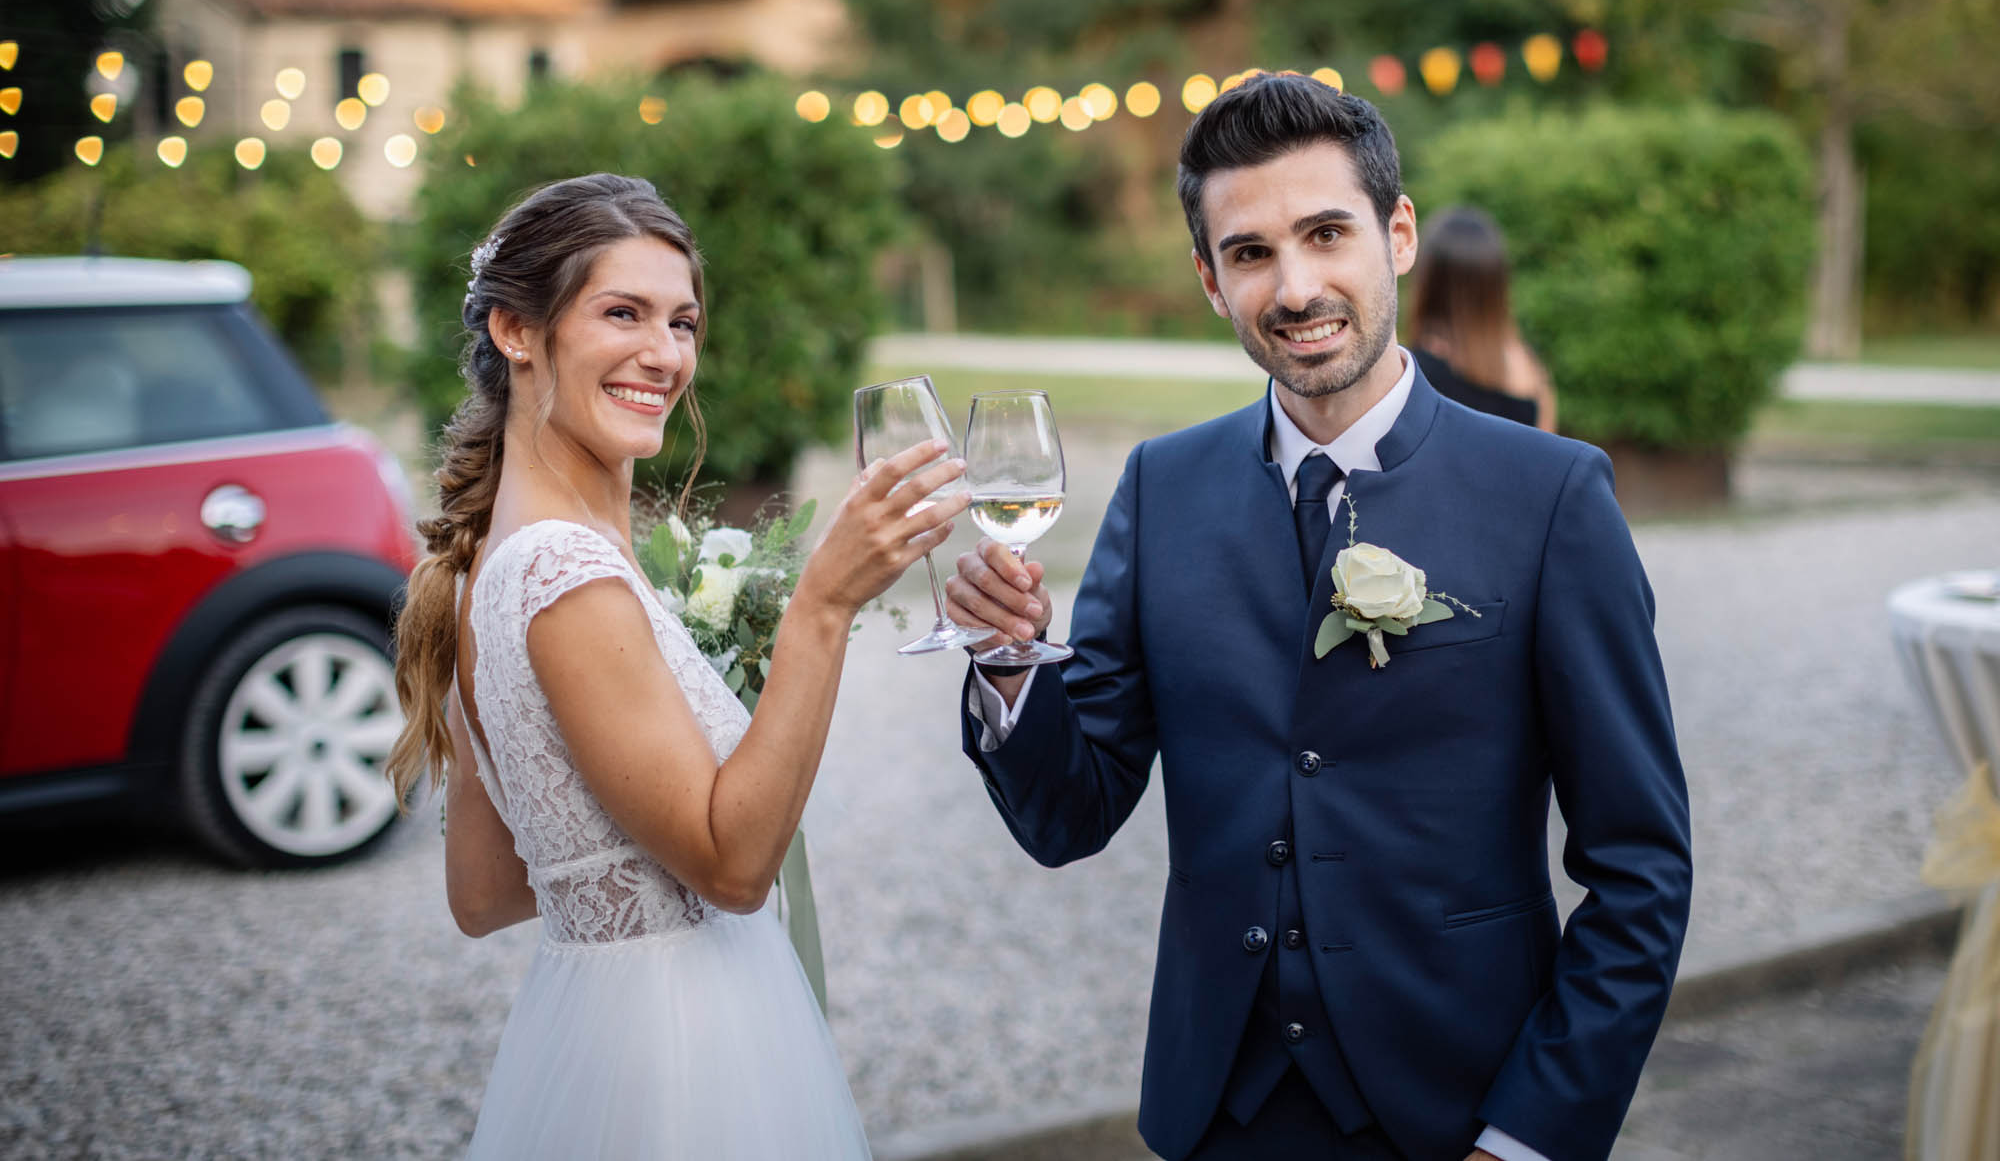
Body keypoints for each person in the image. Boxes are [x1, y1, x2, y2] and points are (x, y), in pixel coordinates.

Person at [945, 75, 1690, 1161]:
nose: (1294, 287)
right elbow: (1072, 813)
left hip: (1463, 1104)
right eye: (1249, 253)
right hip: (1220, 1111)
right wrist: (1013, 665)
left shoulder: (1550, 496)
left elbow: (1639, 868)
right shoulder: (1161, 488)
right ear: (1208, 279)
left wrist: (1528, 1135)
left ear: (1396, 235)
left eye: (1325, 233)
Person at [384, 173, 964, 1159]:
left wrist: (641, 807)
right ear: (516, 330)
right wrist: (821, 606)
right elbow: (734, 866)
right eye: (623, 312)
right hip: (683, 1053)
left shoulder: (491, 561)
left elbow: (484, 888)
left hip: (591, 1031)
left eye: (682, 321)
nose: (664, 354)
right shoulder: (568, 578)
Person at [1405, 207, 1556, 432]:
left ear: (1427, 281)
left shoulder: (1414, 375)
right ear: (1496, 284)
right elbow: (1549, 454)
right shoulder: (1528, 369)